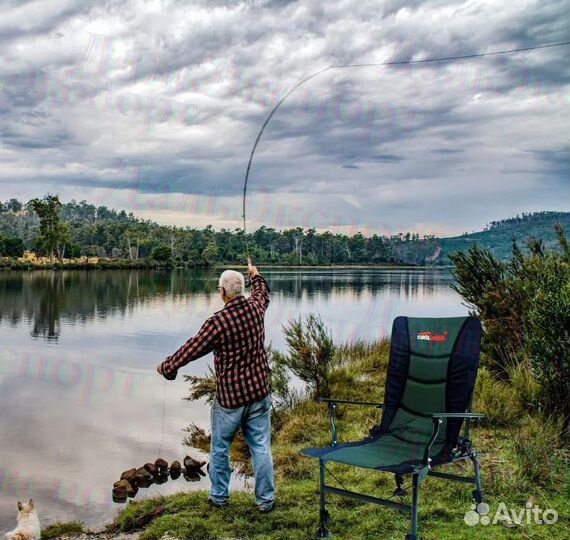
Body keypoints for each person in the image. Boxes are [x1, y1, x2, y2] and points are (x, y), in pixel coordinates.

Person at [157, 261, 275, 512]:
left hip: (230, 399)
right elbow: (262, 292)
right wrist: (256, 275)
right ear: (241, 290)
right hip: (258, 393)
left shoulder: (218, 322)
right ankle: (266, 501)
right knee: (261, 448)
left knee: (220, 448)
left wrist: (169, 367)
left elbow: (193, 347)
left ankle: (219, 497)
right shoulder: (256, 308)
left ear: (222, 292)